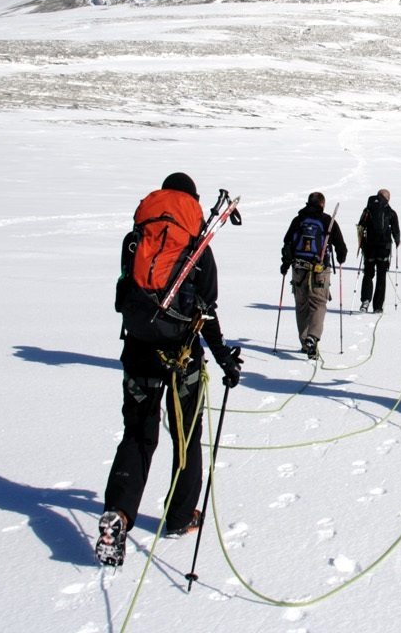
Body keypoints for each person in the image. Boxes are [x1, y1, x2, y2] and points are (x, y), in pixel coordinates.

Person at [97, 172, 243, 567]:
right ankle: (180, 516)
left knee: (138, 436)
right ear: (192, 202)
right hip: (183, 354)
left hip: (139, 351)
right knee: (187, 435)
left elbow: (123, 296)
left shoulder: (135, 240)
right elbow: (206, 310)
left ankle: (119, 513)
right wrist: (224, 356)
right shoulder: (198, 247)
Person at [280, 191, 348, 360]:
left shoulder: (298, 220)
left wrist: (285, 264)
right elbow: (341, 247)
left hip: (299, 269)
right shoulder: (328, 221)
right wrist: (341, 258)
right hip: (319, 270)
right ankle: (313, 337)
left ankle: (305, 342)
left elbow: (287, 242)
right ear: (323, 204)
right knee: (318, 304)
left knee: (302, 305)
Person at [357, 189, 400, 314]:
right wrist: (397, 241)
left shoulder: (368, 209)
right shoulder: (390, 212)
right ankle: (378, 307)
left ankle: (365, 300)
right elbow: (396, 231)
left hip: (369, 246)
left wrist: (361, 244)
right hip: (384, 247)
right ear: (387, 198)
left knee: (368, 273)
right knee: (381, 276)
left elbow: (360, 226)